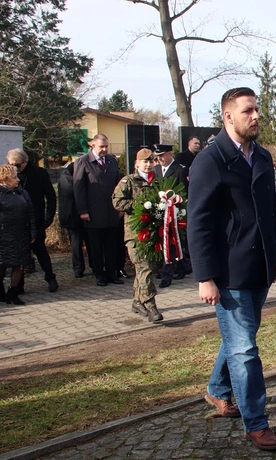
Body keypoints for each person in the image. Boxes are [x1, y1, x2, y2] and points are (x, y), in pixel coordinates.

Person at [187, 87, 276, 451]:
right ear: (228, 116)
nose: (256, 116)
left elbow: (269, 214)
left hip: (258, 266)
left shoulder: (261, 156)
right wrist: (204, 277)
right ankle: (256, 423)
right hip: (226, 271)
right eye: (248, 111)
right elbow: (198, 222)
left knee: (239, 338)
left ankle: (216, 389)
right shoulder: (210, 160)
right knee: (244, 348)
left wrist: (275, 257)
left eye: (257, 109)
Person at [112, 149, 164, 323]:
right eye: (145, 162)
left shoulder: (157, 181)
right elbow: (117, 201)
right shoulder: (128, 181)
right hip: (135, 234)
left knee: (147, 269)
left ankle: (137, 301)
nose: (148, 165)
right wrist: (140, 204)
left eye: (151, 161)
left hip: (153, 233)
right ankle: (150, 305)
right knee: (145, 268)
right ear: (137, 164)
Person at [73, 134, 124, 287]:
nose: (104, 149)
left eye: (106, 146)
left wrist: (120, 206)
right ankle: (99, 274)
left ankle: (111, 273)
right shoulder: (83, 162)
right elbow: (78, 188)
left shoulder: (112, 161)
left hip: (111, 211)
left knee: (111, 244)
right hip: (93, 212)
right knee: (95, 246)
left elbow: (118, 185)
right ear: (93, 146)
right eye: (101, 146)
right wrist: (83, 210)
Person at [6, 149, 58, 292]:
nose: (15, 168)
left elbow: (50, 196)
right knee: (20, 254)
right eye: (11, 164)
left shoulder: (39, 173)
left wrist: (49, 216)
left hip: (36, 219)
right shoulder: (9, 175)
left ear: (25, 162)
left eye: (17, 165)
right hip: (17, 221)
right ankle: (18, 285)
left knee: (40, 250)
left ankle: (50, 277)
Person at [153, 144, 191, 287]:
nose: (159, 158)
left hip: (176, 212)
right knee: (165, 242)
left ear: (170, 154)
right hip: (160, 211)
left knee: (172, 242)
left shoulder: (180, 170)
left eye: (162, 155)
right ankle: (184, 266)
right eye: (158, 156)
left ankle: (167, 274)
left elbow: (184, 192)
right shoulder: (156, 170)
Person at [0, 164, 35, 305]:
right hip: (3, 236)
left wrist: (33, 231)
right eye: (14, 177)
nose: (18, 180)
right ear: (4, 180)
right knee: (2, 264)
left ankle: (13, 292)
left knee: (19, 264)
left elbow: (31, 213)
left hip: (20, 234)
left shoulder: (22, 193)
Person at [58, 162, 91, 278]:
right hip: (71, 216)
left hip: (83, 214)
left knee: (90, 242)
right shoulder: (65, 176)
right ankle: (78, 268)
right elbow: (72, 191)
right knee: (76, 244)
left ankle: (92, 265)